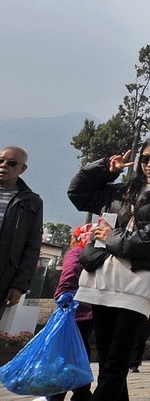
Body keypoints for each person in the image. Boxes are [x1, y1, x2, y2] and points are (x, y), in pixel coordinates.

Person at [68, 134, 150, 399]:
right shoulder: (121, 191)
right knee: (108, 364)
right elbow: (77, 194)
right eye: (145, 158)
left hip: (135, 287)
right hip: (101, 281)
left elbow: (147, 243)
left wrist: (110, 236)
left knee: (115, 366)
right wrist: (104, 170)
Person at [47, 224, 95, 401]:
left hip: (78, 311)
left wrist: (64, 294)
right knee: (77, 355)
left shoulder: (80, 253)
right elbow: (70, 274)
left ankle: (68, 393)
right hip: (81, 311)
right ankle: (78, 393)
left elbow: (70, 273)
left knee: (70, 355)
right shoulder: (83, 254)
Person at [0, 146, 43, 320]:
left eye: (11, 163)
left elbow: (32, 248)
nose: (4, 166)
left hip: (3, 279)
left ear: (22, 169)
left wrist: (19, 285)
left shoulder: (32, 202)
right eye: (0, 161)